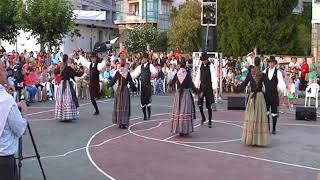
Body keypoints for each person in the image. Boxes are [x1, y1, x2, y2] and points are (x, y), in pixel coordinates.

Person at [0, 61, 27, 180]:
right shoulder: (6, 100)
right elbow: (20, 129)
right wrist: (24, 112)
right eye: (4, 70)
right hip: (4, 158)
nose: (6, 73)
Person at [235, 57, 270, 146]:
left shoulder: (250, 74)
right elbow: (268, 87)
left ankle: (251, 139)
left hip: (253, 97)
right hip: (260, 97)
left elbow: (244, 85)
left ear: (254, 63)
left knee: (251, 118)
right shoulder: (263, 74)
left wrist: (236, 90)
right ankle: (259, 140)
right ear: (260, 63)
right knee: (259, 118)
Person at [169, 60, 199, 136]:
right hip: (186, 95)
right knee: (185, 112)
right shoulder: (187, 74)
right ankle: (185, 129)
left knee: (179, 112)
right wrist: (198, 92)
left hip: (179, 94)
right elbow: (191, 85)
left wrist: (169, 83)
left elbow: (172, 82)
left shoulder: (177, 73)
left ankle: (179, 129)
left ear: (179, 65)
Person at [108, 59, 137, 129]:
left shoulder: (118, 72)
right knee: (124, 106)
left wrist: (109, 85)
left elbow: (113, 80)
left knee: (119, 106)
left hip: (119, 90)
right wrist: (134, 89)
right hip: (124, 90)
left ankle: (120, 122)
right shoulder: (126, 73)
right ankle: (123, 123)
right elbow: (130, 82)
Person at [131, 52, 158, 120]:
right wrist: (128, 74)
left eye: (142, 58)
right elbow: (134, 74)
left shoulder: (150, 66)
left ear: (146, 59)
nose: (141, 60)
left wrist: (150, 76)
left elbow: (155, 73)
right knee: (142, 101)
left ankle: (148, 114)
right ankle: (145, 115)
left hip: (148, 85)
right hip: (142, 86)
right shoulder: (140, 66)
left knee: (147, 100)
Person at [194, 52, 218, 128]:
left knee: (209, 105)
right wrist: (195, 86)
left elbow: (214, 77)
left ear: (207, 59)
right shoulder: (200, 66)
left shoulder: (211, 66)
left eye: (204, 60)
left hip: (209, 87)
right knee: (199, 104)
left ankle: (210, 121)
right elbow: (198, 76)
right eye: (202, 60)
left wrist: (214, 87)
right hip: (202, 87)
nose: (203, 61)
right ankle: (203, 117)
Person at [263, 56, 286, 134]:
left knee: (274, 112)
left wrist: (280, 92)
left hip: (274, 95)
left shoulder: (278, 72)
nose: (271, 64)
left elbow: (281, 83)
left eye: (272, 62)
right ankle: (268, 128)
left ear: (275, 63)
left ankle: (274, 128)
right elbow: (261, 81)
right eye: (269, 62)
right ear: (268, 63)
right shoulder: (265, 71)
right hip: (266, 95)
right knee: (266, 112)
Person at [55, 54, 79, 121]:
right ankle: (67, 115)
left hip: (62, 84)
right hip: (66, 84)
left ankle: (62, 115)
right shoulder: (68, 68)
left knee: (62, 99)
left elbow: (56, 72)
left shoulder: (60, 66)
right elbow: (73, 74)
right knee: (68, 98)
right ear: (67, 59)